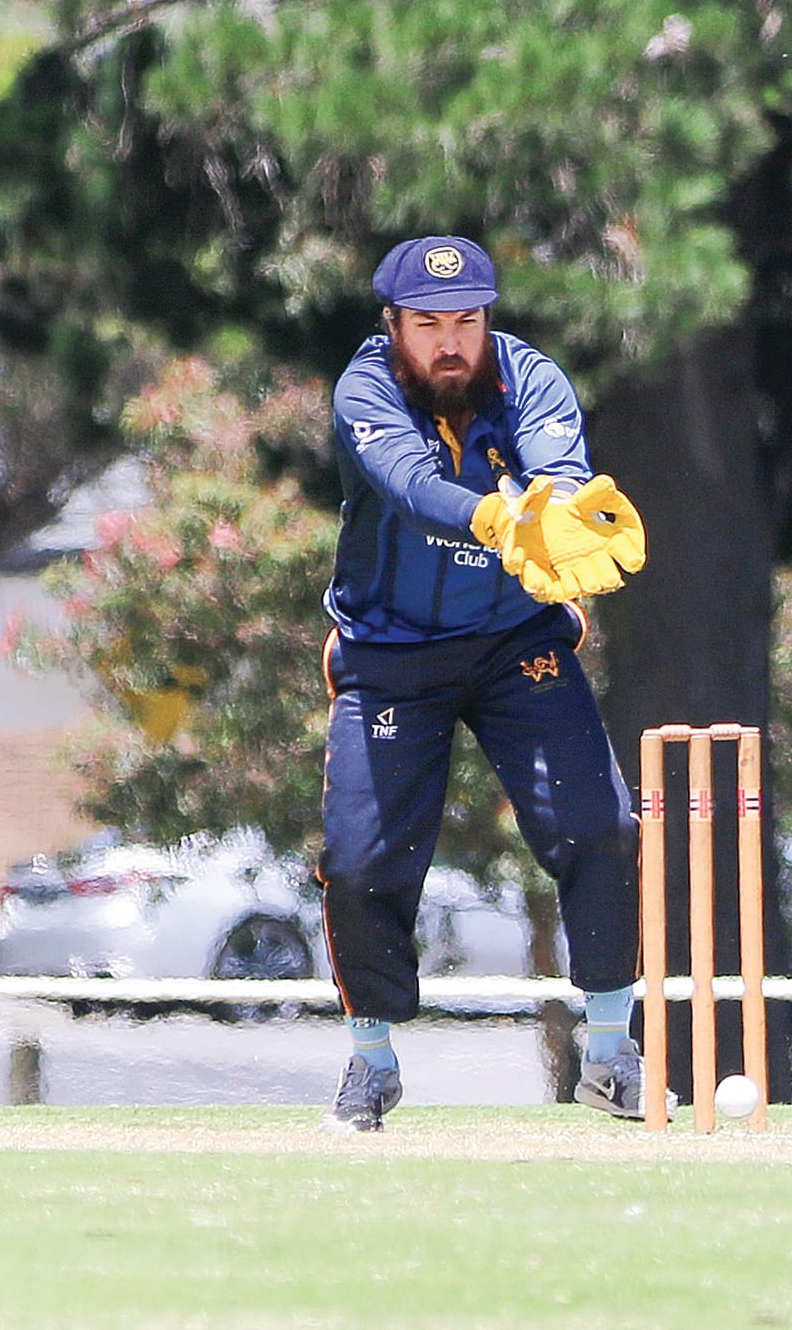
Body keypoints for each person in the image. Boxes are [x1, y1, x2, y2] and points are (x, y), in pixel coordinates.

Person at [317, 235, 661, 1132]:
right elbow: (407, 484)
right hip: (392, 653)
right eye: (428, 324)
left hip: (517, 643)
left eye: (466, 321)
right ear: (392, 324)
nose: (450, 342)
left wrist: (556, 508)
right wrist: (499, 517)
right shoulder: (364, 391)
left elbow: (560, 475)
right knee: (361, 863)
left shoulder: (530, 377)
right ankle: (372, 1062)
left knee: (603, 825)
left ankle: (612, 1053)